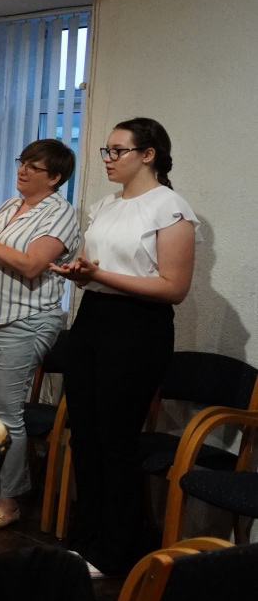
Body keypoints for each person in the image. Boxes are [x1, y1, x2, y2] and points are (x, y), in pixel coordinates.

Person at [51, 118, 197, 577]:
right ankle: (86, 539)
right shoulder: (105, 205)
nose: (108, 159)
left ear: (148, 154)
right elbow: (100, 267)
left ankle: (114, 550)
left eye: (118, 151)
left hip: (138, 327)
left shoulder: (170, 207)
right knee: (85, 433)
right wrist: (81, 274)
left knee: (116, 439)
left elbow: (174, 287)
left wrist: (99, 275)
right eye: (106, 151)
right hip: (93, 317)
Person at [0, 139, 80, 529]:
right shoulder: (10, 206)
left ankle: (9, 501)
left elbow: (31, 265)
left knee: (6, 414)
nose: (22, 170)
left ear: (54, 177)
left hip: (25, 321)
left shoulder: (60, 214)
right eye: (21, 162)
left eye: (33, 166)